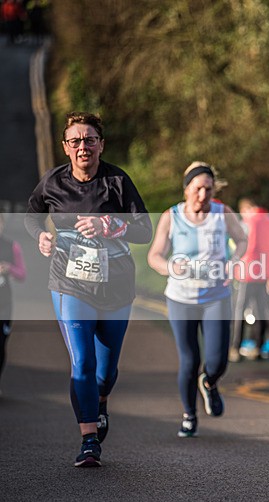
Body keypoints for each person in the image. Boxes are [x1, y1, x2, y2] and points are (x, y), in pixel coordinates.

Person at [25, 111, 153, 467]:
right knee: (82, 363)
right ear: (66, 147)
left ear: (101, 145)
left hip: (115, 286)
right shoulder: (53, 182)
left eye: (90, 139)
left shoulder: (118, 182)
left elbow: (145, 231)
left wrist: (113, 227)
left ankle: (100, 402)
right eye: (75, 141)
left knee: (104, 373)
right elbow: (32, 214)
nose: (83, 146)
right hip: (69, 284)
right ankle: (89, 440)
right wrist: (43, 237)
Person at [147, 162, 247, 438]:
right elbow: (154, 256)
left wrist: (233, 261)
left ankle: (211, 383)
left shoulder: (222, 213)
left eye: (208, 189)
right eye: (198, 188)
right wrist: (170, 268)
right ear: (186, 188)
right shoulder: (172, 216)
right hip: (181, 298)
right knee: (189, 360)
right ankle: (189, 415)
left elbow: (241, 241)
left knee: (217, 361)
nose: (203, 195)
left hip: (216, 295)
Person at [230, 197, 269, 361]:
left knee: (240, 310)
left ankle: (235, 347)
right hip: (264, 272)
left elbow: (246, 247)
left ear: (246, 209)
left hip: (247, 271)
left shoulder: (249, 222)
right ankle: (258, 347)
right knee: (261, 310)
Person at [0, 213, 26, 395]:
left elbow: (22, 274)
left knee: (0, 345)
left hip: (4, 304)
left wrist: (9, 268)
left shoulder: (11, 246)